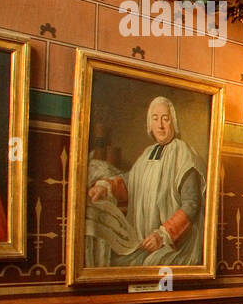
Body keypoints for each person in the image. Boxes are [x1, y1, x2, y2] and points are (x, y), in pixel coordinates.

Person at [87, 96, 205, 266]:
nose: (160, 125)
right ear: (149, 123)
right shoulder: (148, 153)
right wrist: (106, 188)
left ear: (174, 122)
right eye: (155, 119)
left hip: (175, 243)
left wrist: (163, 235)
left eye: (165, 119)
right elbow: (131, 183)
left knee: (148, 264)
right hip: (143, 239)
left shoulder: (184, 153)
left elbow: (192, 204)